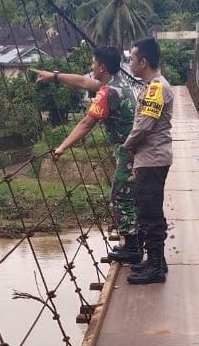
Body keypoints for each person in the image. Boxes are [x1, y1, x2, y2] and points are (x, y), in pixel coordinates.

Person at [32, 46, 141, 263]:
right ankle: (132, 243)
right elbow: (82, 82)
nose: (91, 67)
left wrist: (62, 147)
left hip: (128, 150)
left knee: (120, 197)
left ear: (101, 67)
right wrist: (54, 76)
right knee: (127, 195)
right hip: (135, 148)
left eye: (93, 63)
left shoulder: (108, 92)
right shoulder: (118, 83)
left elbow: (87, 123)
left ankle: (133, 247)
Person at [122, 37, 173, 285]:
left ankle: (155, 267)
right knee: (150, 210)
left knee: (149, 213)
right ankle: (157, 261)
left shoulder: (155, 88)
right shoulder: (152, 86)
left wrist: (126, 147)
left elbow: (143, 126)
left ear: (143, 62)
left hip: (151, 159)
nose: (129, 63)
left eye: (132, 59)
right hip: (151, 158)